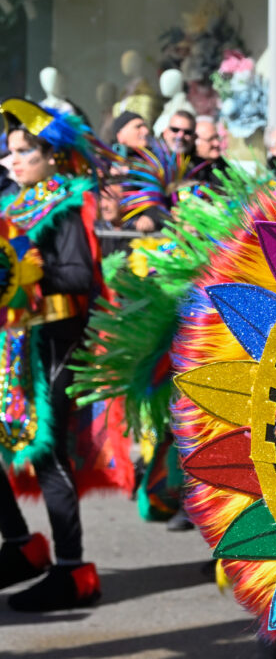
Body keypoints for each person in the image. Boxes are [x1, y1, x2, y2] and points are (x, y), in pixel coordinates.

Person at [0, 100, 104, 611]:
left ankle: (72, 569)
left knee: (47, 452)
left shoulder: (64, 205)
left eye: (24, 151)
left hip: (54, 346)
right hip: (13, 348)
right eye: (10, 151)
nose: (12, 159)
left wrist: (27, 274)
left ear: (53, 156)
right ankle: (21, 546)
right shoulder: (14, 206)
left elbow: (79, 276)